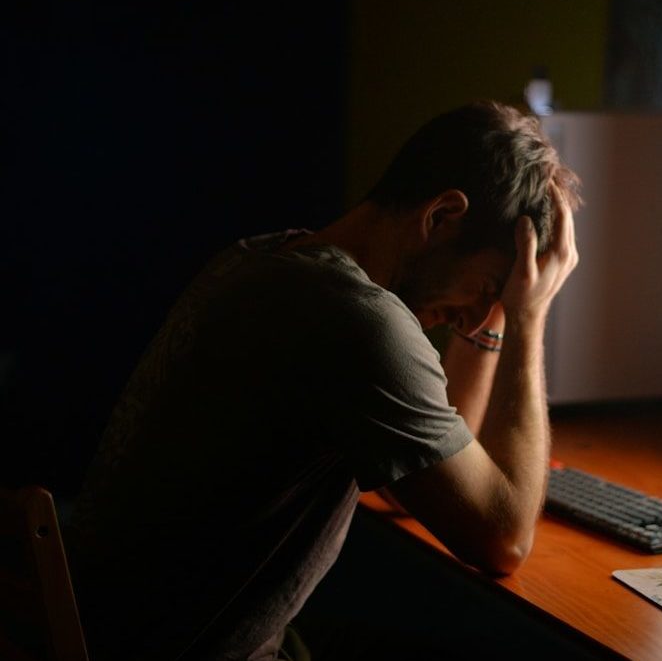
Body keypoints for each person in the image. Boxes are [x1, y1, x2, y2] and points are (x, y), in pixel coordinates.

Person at [63, 99, 581, 660]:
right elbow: (503, 538)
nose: (482, 316)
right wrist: (529, 319)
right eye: (489, 289)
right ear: (440, 216)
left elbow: (421, 481)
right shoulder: (357, 320)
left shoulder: (260, 261)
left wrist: (496, 314)